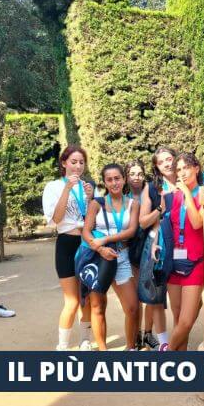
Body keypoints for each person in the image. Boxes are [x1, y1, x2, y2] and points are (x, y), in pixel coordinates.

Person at [42, 145, 95, 350]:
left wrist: (90, 198)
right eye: (73, 162)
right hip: (66, 244)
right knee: (72, 300)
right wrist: (67, 189)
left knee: (86, 298)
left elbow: (93, 219)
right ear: (64, 163)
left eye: (81, 162)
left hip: (87, 244)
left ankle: (85, 340)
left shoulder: (88, 186)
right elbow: (55, 219)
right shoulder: (53, 187)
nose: (78, 166)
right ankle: (62, 345)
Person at [82, 164, 139, 351]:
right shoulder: (96, 203)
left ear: (124, 179)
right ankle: (103, 351)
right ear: (105, 182)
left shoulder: (133, 204)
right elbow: (86, 232)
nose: (114, 183)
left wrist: (106, 239)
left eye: (117, 178)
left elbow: (130, 231)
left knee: (132, 308)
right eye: (109, 179)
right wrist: (100, 249)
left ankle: (130, 348)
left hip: (121, 257)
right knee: (98, 306)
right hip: (99, 259)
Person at [158, 152, 204, 351]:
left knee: (186, 322)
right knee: (178, 319)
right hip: (174, 261)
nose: (182, 172)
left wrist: (186, 193)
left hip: (196, 262)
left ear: (196, 168)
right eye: (178, 169)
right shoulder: (171, 196)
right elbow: (165, 224)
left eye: (186, 167)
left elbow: (196, 223)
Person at [138, 147, 176, 350]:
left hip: (183, 245)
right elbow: (143, 222)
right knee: (157, 298)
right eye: (162, 162)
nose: (167, 164)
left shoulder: (187, 181)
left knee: (185, 298)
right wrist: (160, 208)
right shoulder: (152, 188)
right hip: (157, 245)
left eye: (169, 159)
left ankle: (180, 338)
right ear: (156, 167)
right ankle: (163, 344)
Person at [124, 160, 149, 349]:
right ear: (126, 175)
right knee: (134, 299)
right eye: (132, 173)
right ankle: (134, 337)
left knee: (147, 296)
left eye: (139, 173)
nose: (136, 177)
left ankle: (145, 335)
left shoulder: (150, 194)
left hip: (148, 248)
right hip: (128, 250)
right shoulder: (121, 196)